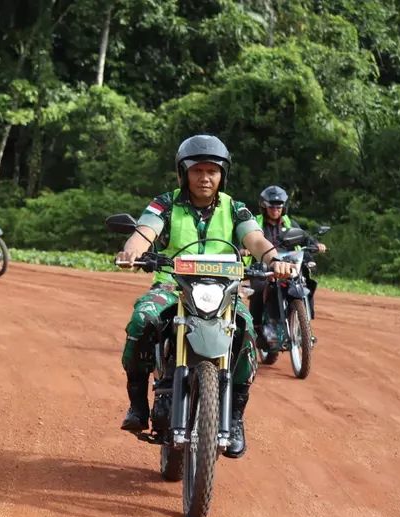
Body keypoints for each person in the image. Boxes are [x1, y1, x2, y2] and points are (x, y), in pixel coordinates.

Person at [114, 135, 296, 459]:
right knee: (142, 319)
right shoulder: (165, 203)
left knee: (246, 332)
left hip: (224, 290)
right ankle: (138, 405)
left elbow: (255, 240)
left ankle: (235, 418)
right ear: (183, 172)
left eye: (212, 171)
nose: (205, 177)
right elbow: (145, 231)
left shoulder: (235, 208)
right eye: (197, 170)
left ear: (222, 175)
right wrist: (132, 252)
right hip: (172, 286)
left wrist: (274, 260)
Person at [250, 184, 327, 326]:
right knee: (259, 289)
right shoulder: (254, 223)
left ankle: (305, 323)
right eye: (271, 206)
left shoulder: (290, 223)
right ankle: (256, 326)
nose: (275, 209)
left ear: (284, 207)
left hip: (289, 263)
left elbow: (305, 237)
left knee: (306, 282)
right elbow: (247, 239)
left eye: (278, 206)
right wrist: (244, 250)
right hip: (263, 265)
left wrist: (317, 244)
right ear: (264, 207)